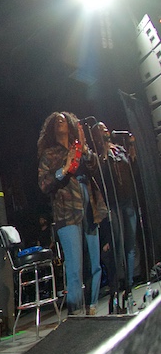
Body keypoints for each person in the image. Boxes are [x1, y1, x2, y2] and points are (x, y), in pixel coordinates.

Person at [37, 112, 107, 315]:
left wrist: (86, 151)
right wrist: (63, 170)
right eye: (57, 120)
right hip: (66, 212)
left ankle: (92, 306)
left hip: (90, 207)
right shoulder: (49, 154)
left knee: (95, 263)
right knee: (75, 266)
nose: (62, 121)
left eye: (64, 119)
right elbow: (43, 184)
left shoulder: (79, 147)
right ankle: (75, 312)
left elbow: (96, 167)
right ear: (52, 128)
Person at [91, 122, 138, 302]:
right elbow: (100, 175)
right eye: (101, 129)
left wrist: (131, 146)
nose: (106, 130)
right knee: (118, 244)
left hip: (128, 201)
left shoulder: (119, 150)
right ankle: (115, 286)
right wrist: (104, 151)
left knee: (130, 244)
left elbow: (132, 165)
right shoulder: (98, 156)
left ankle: (129, 285)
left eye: (105, 128)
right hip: (113, 204)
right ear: (96, 136)